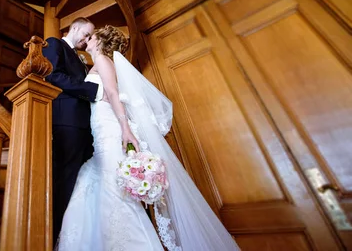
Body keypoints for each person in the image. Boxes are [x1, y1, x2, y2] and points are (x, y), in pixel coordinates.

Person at [57, 25, 240, 251]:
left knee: (112, 187)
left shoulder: (103, 61)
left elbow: (114, 94)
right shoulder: (98, 65)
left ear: (100, 41)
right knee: (96, 181)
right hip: (99, 130)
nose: (87, 41)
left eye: (91, 37)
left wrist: (125, 127)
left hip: (109, 128)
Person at [42, 17, 102, 244]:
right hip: (67, 121)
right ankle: (51, 236)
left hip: (84, 125)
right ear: (74, 27)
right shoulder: (54, 44)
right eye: (86, 34)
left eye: (90, 37)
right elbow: (53, 75)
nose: (87, 40)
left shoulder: (81, 59)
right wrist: (90, 90)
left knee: (79, 181)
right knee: (64, 180)